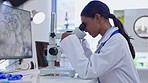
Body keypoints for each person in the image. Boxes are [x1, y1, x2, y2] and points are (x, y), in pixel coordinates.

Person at [60, 1, 140, 83]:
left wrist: (70, 41)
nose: (85, 29)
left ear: (97, 18)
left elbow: (88, 72)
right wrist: (81, 42)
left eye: (85, 24)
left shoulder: (116, 42)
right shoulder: (108, 40)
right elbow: (93, 65)